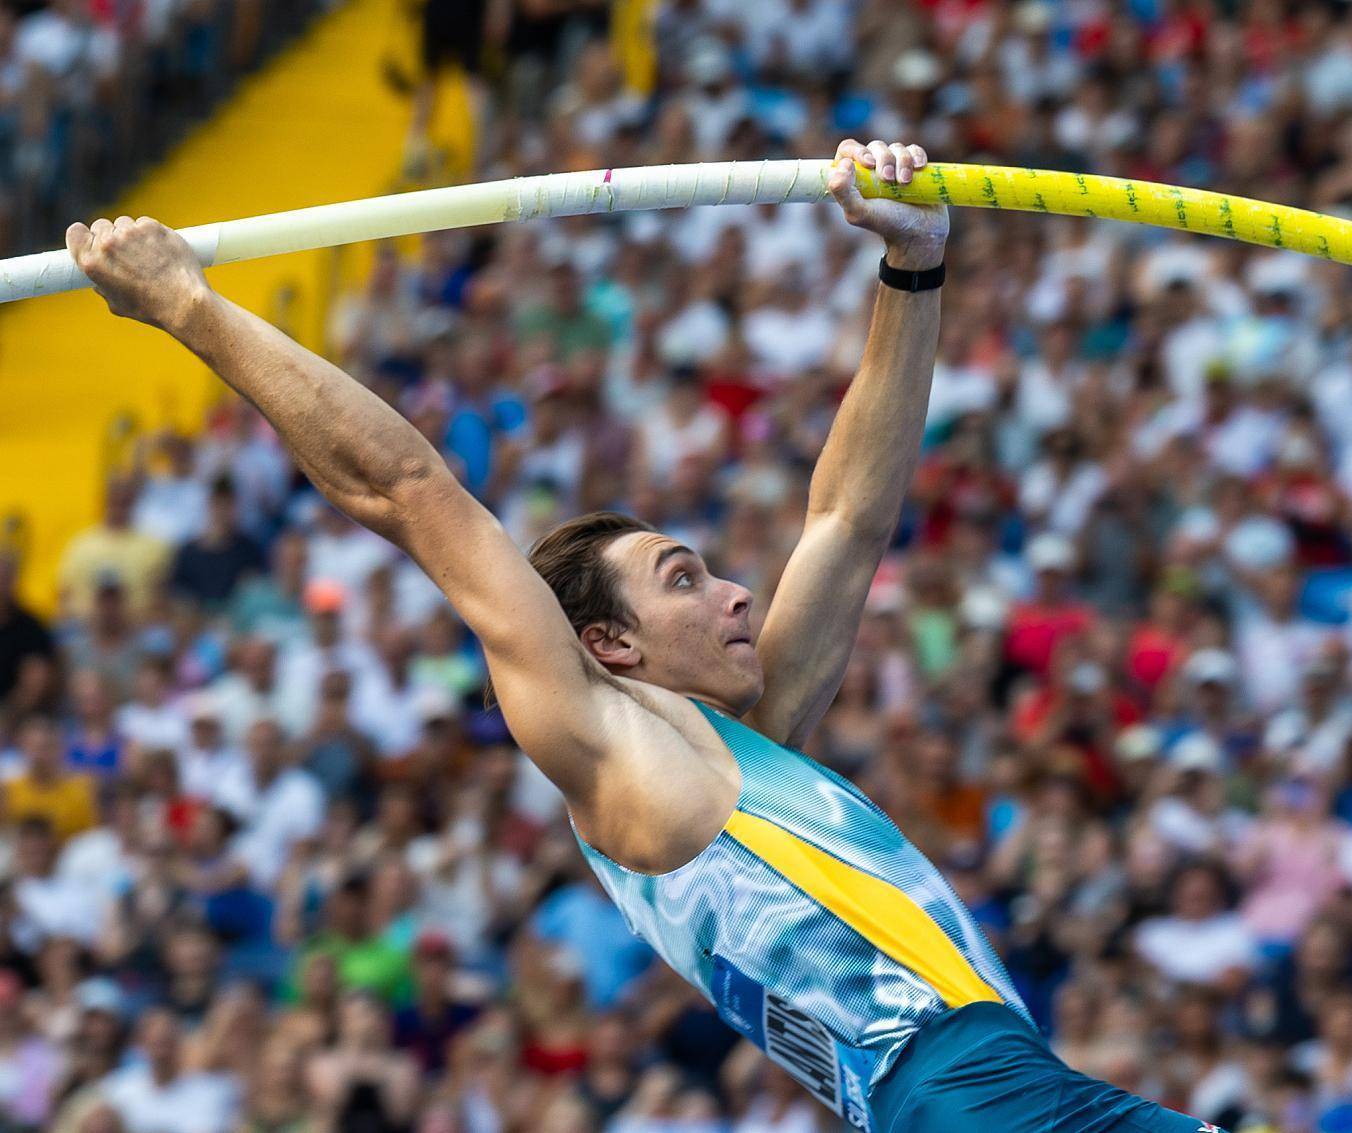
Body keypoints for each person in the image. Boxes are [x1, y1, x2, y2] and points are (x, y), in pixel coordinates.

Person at [66, 138, 1218, 1133]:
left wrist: (910, 265)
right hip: (960, 1089)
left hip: (1007, 1079)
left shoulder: (754, 735)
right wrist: (187, 306)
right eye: (684, 579)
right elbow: (409, 488)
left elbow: (849, 514)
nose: (733, 595)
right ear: (608, 646)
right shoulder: (616, 752)